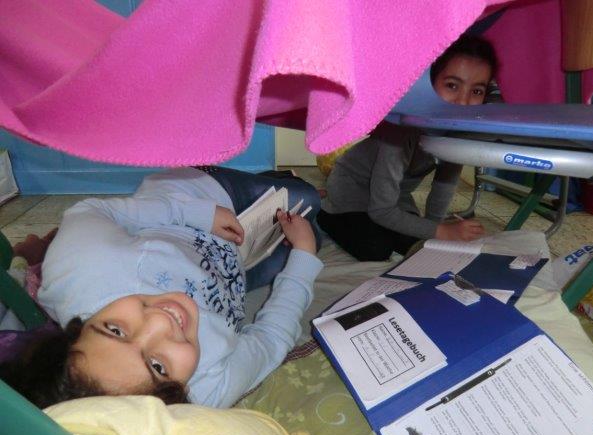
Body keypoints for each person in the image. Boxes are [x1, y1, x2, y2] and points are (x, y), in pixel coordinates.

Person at [0, 167, 323, 409]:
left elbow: (91, 210)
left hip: (195, 199)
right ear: (178, 398)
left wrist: (196, 213)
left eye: (115, 330)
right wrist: (305, 255)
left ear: (76, 328)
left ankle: (259, 177)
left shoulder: (83, 267)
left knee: (306, 196)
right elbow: (271, 338)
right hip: (233, 265)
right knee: (312, 238)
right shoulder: (205, 391)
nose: (160, 320)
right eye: (158, 366)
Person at [317, 35, 497, 261]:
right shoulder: (399, 131)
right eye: (452, 85)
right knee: (375, 249)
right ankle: (322, 212)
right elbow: (382, 211)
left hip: (393, 198)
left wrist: (436, 231)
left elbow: (443, 189)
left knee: (415, 242)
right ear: (429, 83)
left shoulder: (455, 134)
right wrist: (442, 231)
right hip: (350, 193)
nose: (463, 101)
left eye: (477, 91)